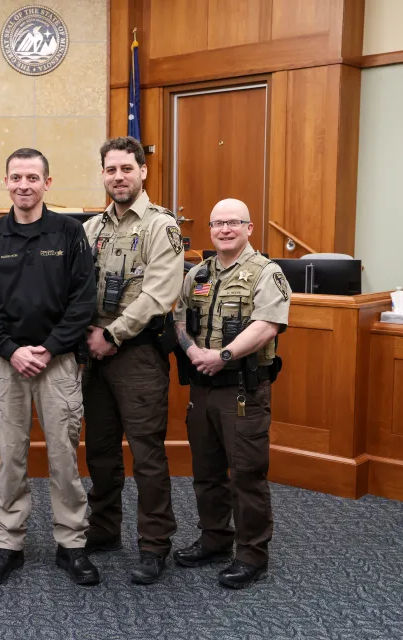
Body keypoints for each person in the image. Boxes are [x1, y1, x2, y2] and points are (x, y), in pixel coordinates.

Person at [0, 148, 99, 586]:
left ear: (48, 182)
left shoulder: (68, 232)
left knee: (64, 456)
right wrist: (10, 349)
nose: (24, 184)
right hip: (7, 363)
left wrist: (49, 346)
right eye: (16, 177)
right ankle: (8, 544)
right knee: (10, 458)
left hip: (57, 362)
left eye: (33, 177)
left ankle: (72, 544)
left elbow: (84, 300)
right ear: (6, 182)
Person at [171, 198, 290, 589]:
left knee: (246, 475)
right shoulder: (198, 273)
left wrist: (222, 355)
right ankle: (214, 539)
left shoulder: (265, 273)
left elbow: (268, 325)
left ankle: (252, 555)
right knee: (206, 473)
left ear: (249, 228)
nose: (225, 229)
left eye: (233, 223)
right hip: (203, 388)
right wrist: (191, 350)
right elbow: (178, 316)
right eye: (217, 223)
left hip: (242, 389)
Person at [81, 136, 184, 585]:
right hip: (93, 353)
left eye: (126, 168)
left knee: (146, 455)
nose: (118, 177)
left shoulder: (163, 226)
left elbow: (159, 294)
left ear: (143, 171)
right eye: (110, 169)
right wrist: (86, 333)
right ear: (102, 174)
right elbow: (75, 287)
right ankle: (104, 530)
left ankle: (154, 543)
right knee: (101, 452)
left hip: (137, 352)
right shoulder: (91, 229)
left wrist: (112, 334)